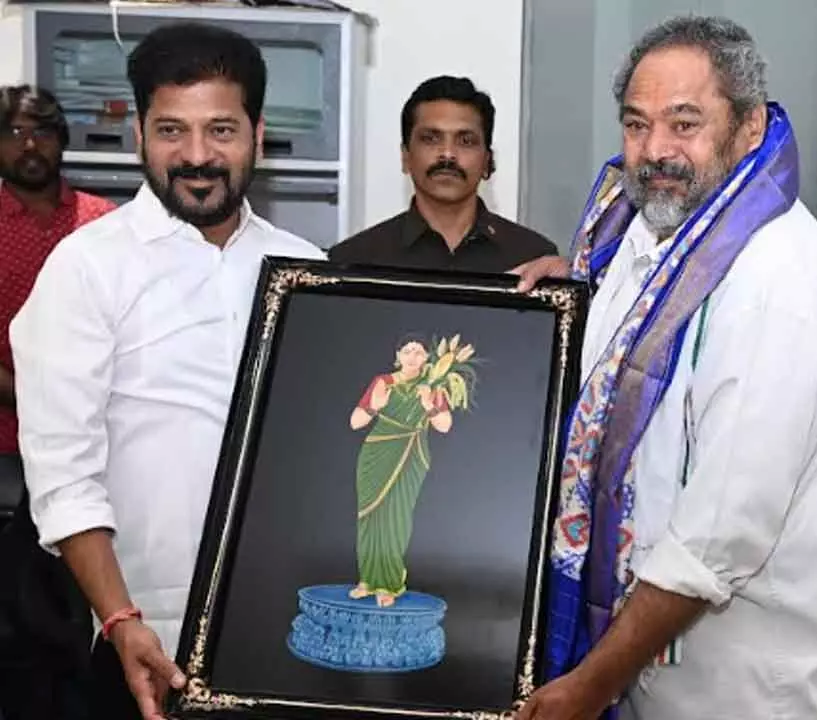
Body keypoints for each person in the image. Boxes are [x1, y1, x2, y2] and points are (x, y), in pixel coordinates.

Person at [512, 15, 817, 720]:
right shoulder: (635, 241)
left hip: (747, 689)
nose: (655, 151)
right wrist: (566, 294)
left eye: (684, 123)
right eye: (636, 124)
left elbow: (719, 536)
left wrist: (591, 684)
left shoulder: (778, 276)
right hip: (648, 670)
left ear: (749, 126)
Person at [10, 22, 326, 720]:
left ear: (256, 131)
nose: (196, 156)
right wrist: (120, 620)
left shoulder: (309, 271)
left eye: (220, 130)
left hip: (291, 635)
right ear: (139, 137)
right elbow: (63, 477)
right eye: (170, 131)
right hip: (142, 639)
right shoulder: (87, 267)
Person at [0, 84, 114, 720]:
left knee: (80, 622)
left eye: (41, 130)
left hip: (95, 453)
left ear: (62, 139)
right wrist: (40, 397)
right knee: (16, 629)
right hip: (6, 449)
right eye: (13, 132)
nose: (28, 145)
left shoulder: (102, 220)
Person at [329, 75, 557, 272]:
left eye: (466, 141)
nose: (448, 154)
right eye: (430, 139)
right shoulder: (353, 261)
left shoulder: (533, 259)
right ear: (405, 156)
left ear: (487, 162)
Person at [347, 333, 477, 608]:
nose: (413, 356)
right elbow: (355, 422)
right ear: (398, 356)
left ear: (427, 358)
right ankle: (367, 580)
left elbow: (444, 425)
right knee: (369, 515)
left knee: (396, 515)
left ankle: (390, 583)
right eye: (407, 350)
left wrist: (429, 407)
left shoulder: (433, 386)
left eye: (418, 351)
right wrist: (375, 406)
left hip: (410, 454)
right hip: (376, 453)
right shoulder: (383, 383)